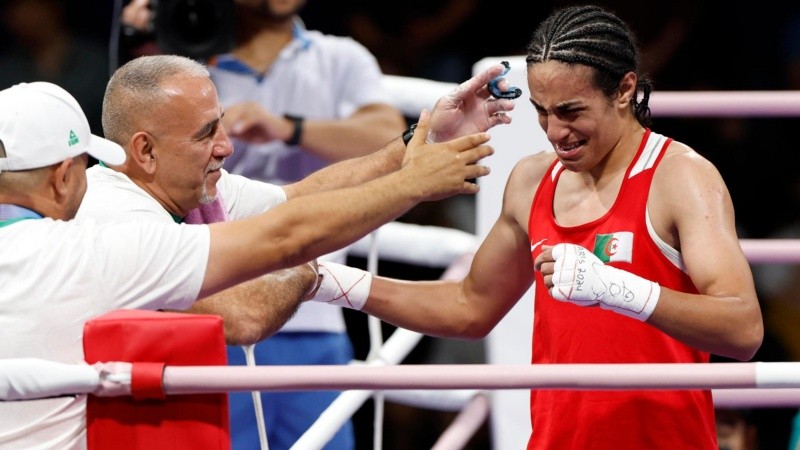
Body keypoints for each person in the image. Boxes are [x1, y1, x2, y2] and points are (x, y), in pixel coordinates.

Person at [310, 5, 764, 449]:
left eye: (571, 111)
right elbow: (470, 306)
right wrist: (333, 283)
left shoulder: (680, 176)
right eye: (542, 111)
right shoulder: (532, 180)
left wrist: (619, 289)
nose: (554, 131)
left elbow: (742, 328)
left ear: (624, 90)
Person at [0, 69, 504, 448]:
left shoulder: (186, 190)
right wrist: (408, 187)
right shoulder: (106, 234)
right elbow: (246, 308)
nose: (226, 147)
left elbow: (301, 200)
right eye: (204, 134)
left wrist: (417, 142)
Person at [201, 1, 407, 447]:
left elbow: (389, 135)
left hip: (315, 308)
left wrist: (287, 128)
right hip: (212, 312)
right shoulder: (188, 63)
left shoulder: (340, 57)